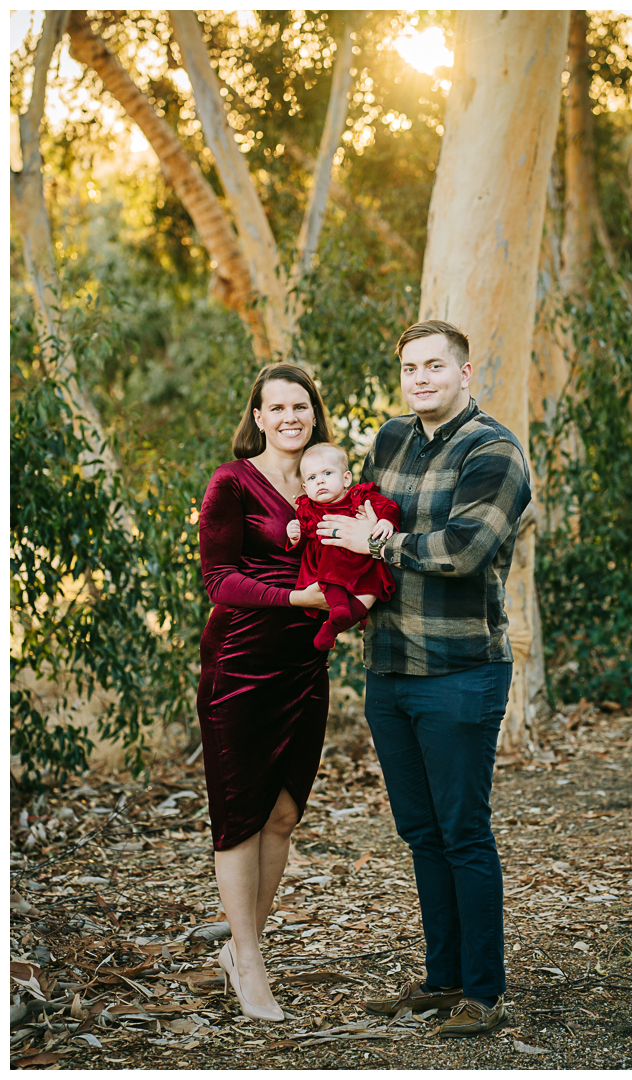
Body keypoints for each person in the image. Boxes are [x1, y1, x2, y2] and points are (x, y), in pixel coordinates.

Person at [316, 319, 532, 1038]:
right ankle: (442, 980)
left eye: (435, 366)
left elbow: (465, 549)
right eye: (411, 367)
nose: (421, 378)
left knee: (463, 830)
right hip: (390, 669)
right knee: (421, 831)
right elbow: (353, 512)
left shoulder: (494, 452)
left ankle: (484, 992)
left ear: (465, 375)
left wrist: (375, 539)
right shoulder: (389, 439)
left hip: (460, 671)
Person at [196, 363, 333, 1022]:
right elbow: (218, 579)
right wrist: (294, 597)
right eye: (274, 408)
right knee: (240, 816)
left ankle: (244, 949)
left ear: (314, 412)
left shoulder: (325, 481)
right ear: (256, 416)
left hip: (306, 663)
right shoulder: (231, 483)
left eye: (299, 406)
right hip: (241, 661)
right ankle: (248, 962)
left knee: (282, 813)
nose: (288, 418)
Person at [286, 442, 401, 649]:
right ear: (305, 487)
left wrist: (386, 520)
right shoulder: (309, 509)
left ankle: (332, 627)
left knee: (372, 592)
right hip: (328, 563)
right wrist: (296, 537)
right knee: (330, 552)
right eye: (312, 478)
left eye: (327, 473)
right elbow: (305, 540)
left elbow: (388, 505)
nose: (320, 481)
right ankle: (338, 606)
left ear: (346, 478)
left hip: (363, 561)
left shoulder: (358, 497)